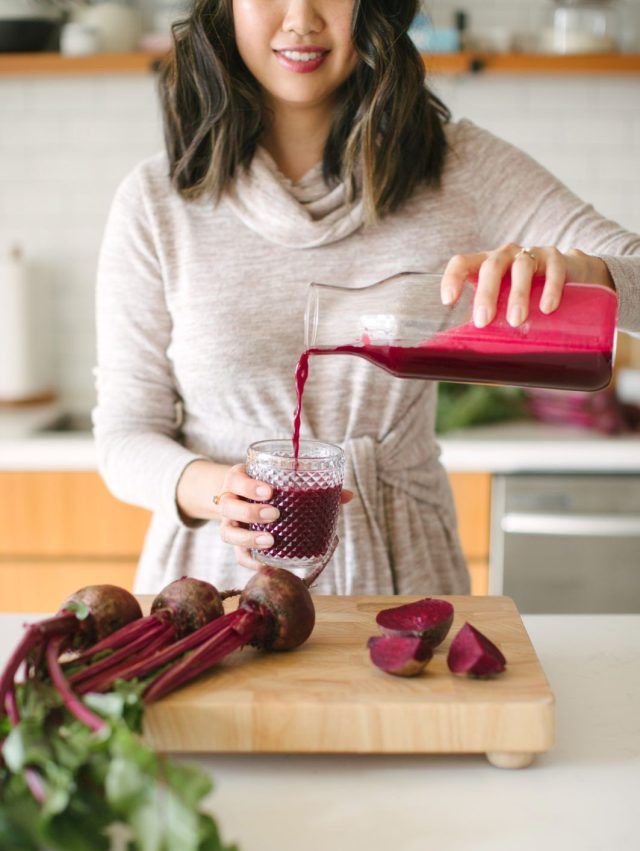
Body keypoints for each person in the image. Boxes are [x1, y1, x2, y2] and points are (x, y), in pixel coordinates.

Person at [93, 0, 640, 597]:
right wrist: (223, 492)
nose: (300, 18)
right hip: (214, 590)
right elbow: (123, 435)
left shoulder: (459, 167)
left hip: (405, 576)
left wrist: (592, 273)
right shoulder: (158, 201)